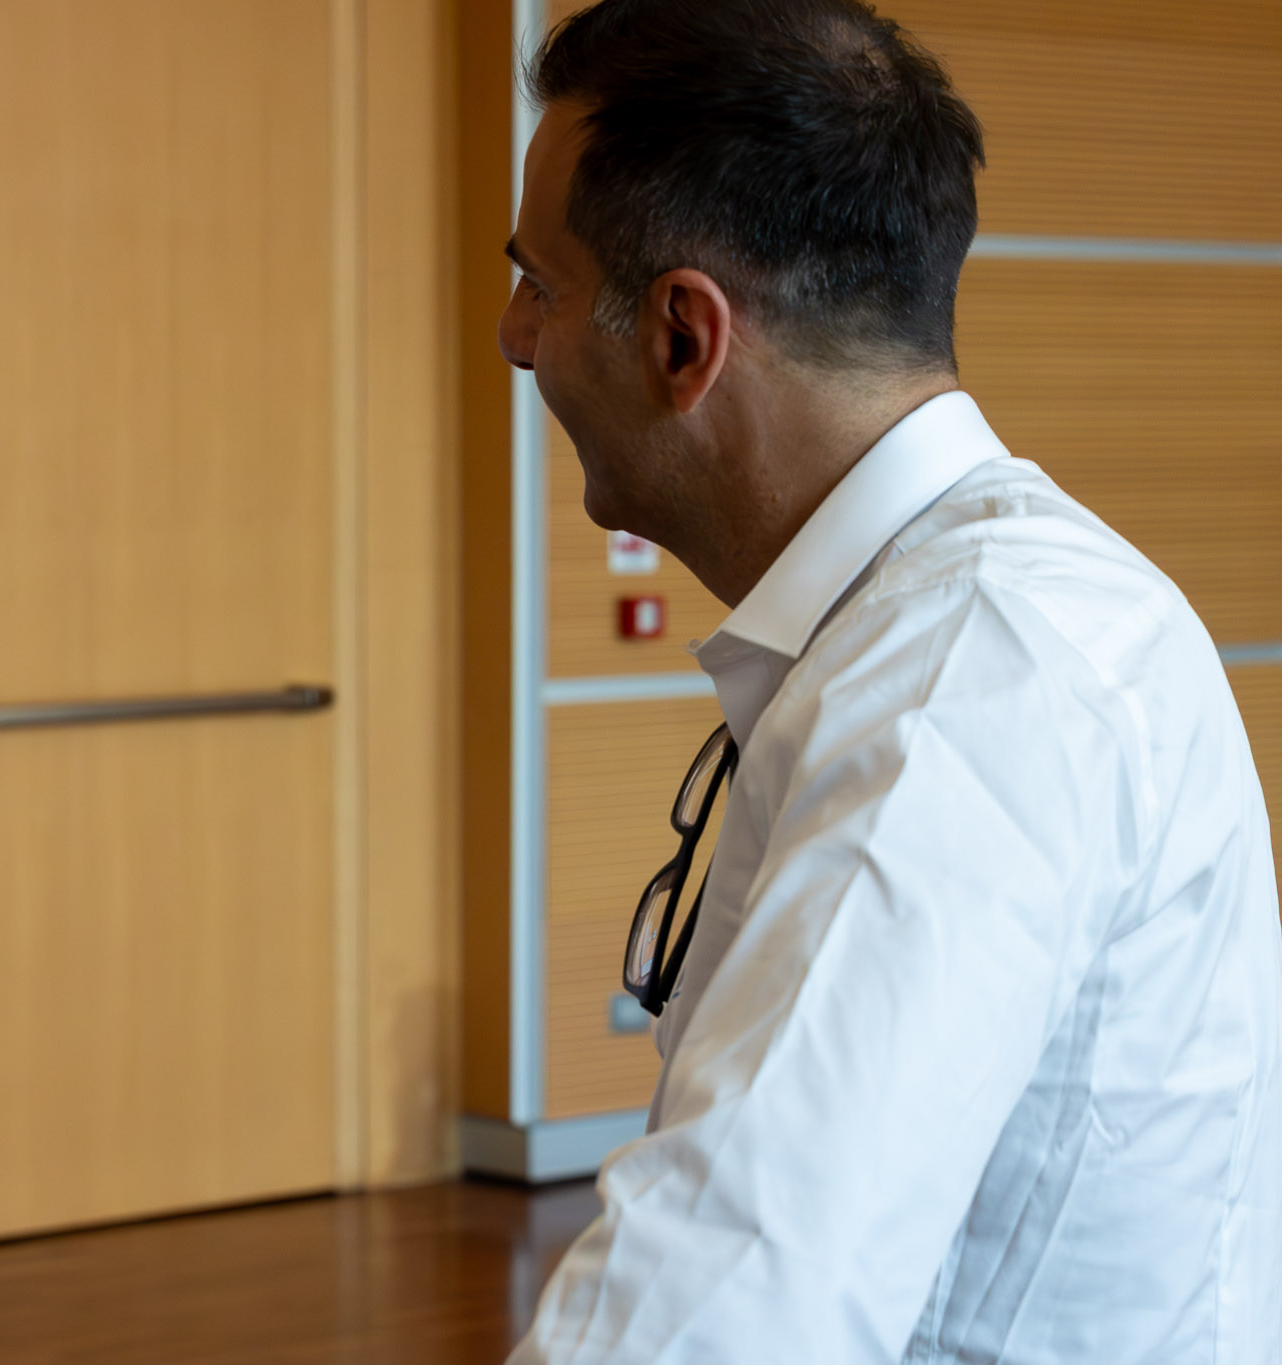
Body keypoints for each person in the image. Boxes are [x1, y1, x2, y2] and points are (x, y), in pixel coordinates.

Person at [497, 2, 1281, 1361]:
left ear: (684, 338)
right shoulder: (974, 620)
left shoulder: (965, 681)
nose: (515, 337)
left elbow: (727, 1295)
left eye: (539, 286)